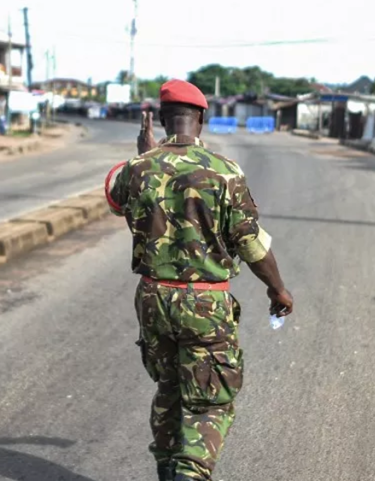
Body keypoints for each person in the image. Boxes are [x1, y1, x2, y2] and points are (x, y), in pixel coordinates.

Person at [108, 79, 294, 481]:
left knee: (170, 388)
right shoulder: (225, 172)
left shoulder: (136, 169)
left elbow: (122, 206)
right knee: (210, 402)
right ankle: (188, 474)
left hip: (154, 299)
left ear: (161, 119)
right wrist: (276, 288)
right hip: (204, 304)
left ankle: (167, 469)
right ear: (203, 119)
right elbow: (248, 242)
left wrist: (146, 156)